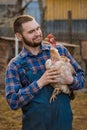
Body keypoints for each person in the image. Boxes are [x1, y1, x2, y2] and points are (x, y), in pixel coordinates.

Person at [5, 15, 85, 130]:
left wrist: (70, 80)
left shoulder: (60, 50)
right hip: (36, 126)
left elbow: (81, 79)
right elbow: (13, 101)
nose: (38, 33)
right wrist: (40, 83)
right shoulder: (15, 65)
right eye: (31, 31)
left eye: (38, 28)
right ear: (19, 36)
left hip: (63, 122)